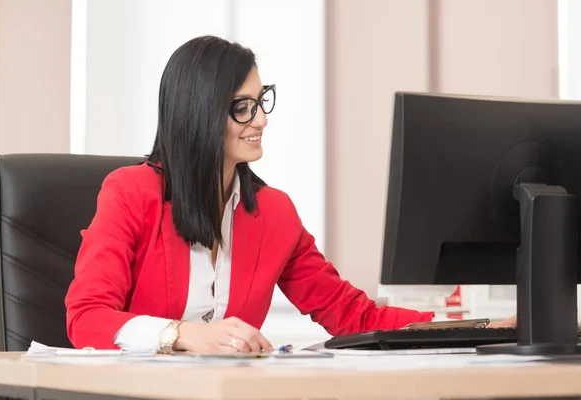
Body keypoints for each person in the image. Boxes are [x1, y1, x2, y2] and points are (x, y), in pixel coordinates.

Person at [64, 35, 516, 354]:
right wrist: (183, 335)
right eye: (242, 107)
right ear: (198, 114)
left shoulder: (273, 213)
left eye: (261, 101)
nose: (261, 120)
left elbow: (352, 316)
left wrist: (477, 328)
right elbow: (86, 318)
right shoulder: (131, 192)